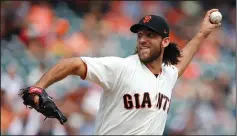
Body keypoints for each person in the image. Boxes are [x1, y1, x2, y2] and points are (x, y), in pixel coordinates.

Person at [23, 9, 221, 135]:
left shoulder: (168, 75)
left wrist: (202, 34)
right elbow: (73, 63)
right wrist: (39, 87)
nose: (142, 39)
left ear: (165, 42)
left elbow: (181, 61)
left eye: (150, 35)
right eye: (140, 35)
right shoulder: (122, 67)